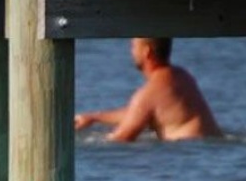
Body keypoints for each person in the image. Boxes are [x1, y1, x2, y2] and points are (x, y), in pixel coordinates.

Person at [73, 37, 222, 142]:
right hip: (207, 149)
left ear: (146, 52)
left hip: (184, 153)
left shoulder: (149, 94)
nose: (131, 51)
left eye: (133, 46)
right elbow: (139, 113)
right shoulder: (182, 76)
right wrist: (93, 117)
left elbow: (121, 139)